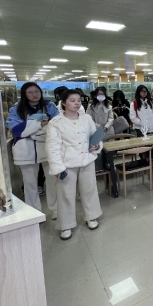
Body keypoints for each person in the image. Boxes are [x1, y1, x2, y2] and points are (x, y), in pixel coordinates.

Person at [46, 89, 103, 240]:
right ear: (64, 103)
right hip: (67, 164)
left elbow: (94, 136)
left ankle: (91, 216)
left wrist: (96, 146)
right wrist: (57, 168)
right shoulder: (56, 123)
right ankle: (66, 224)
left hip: (86, 160)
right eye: (72, 100)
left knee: (89, 190)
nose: (77, 103)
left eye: (79, 100)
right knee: (66, 194)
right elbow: (52, 147)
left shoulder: (86, 118)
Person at [7, 82, 60, 216]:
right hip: (25, 151)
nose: (34, 94)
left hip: (48, 148)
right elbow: (17, 130)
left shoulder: (49, 106)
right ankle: (34, 213)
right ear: (24, 94)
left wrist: (31, 130)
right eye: (30, 92)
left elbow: (58, 126)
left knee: (53, 181)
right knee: (30, 184)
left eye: (37, 91)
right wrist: (41, 124)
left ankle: (55, 209)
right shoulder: (16, 109)